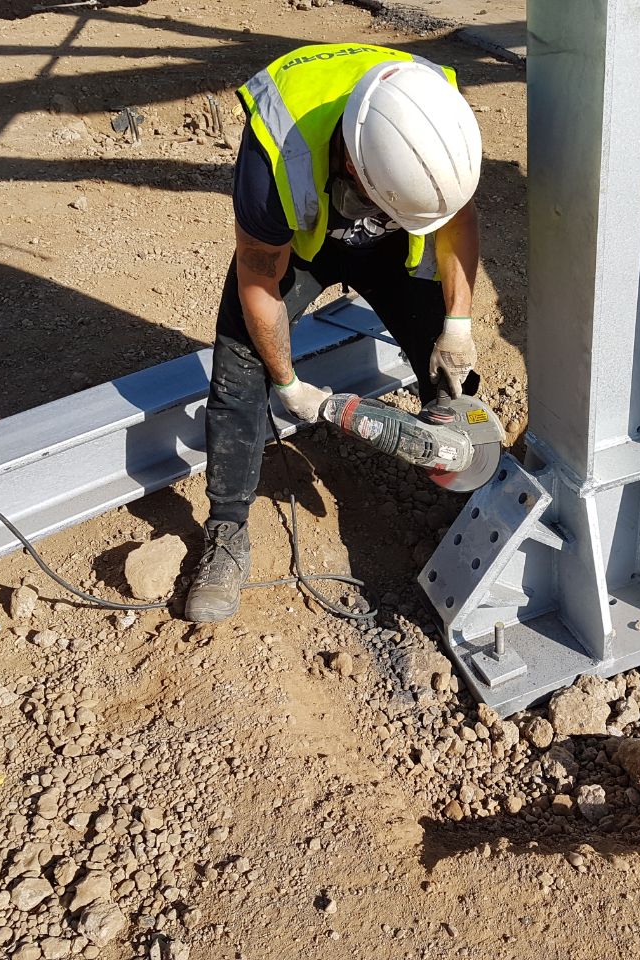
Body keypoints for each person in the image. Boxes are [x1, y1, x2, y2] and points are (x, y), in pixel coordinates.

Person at [184, 43, 484, 623]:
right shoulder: (276, 156)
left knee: (447, 365)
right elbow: (258, 280)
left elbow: (460, 219)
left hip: (390, 241)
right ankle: (227, 531)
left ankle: (474, 497)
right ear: (350, 160)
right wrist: (288, 383)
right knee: (240, 368)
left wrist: (458, 324)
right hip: (302, 242)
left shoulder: (436, 119)